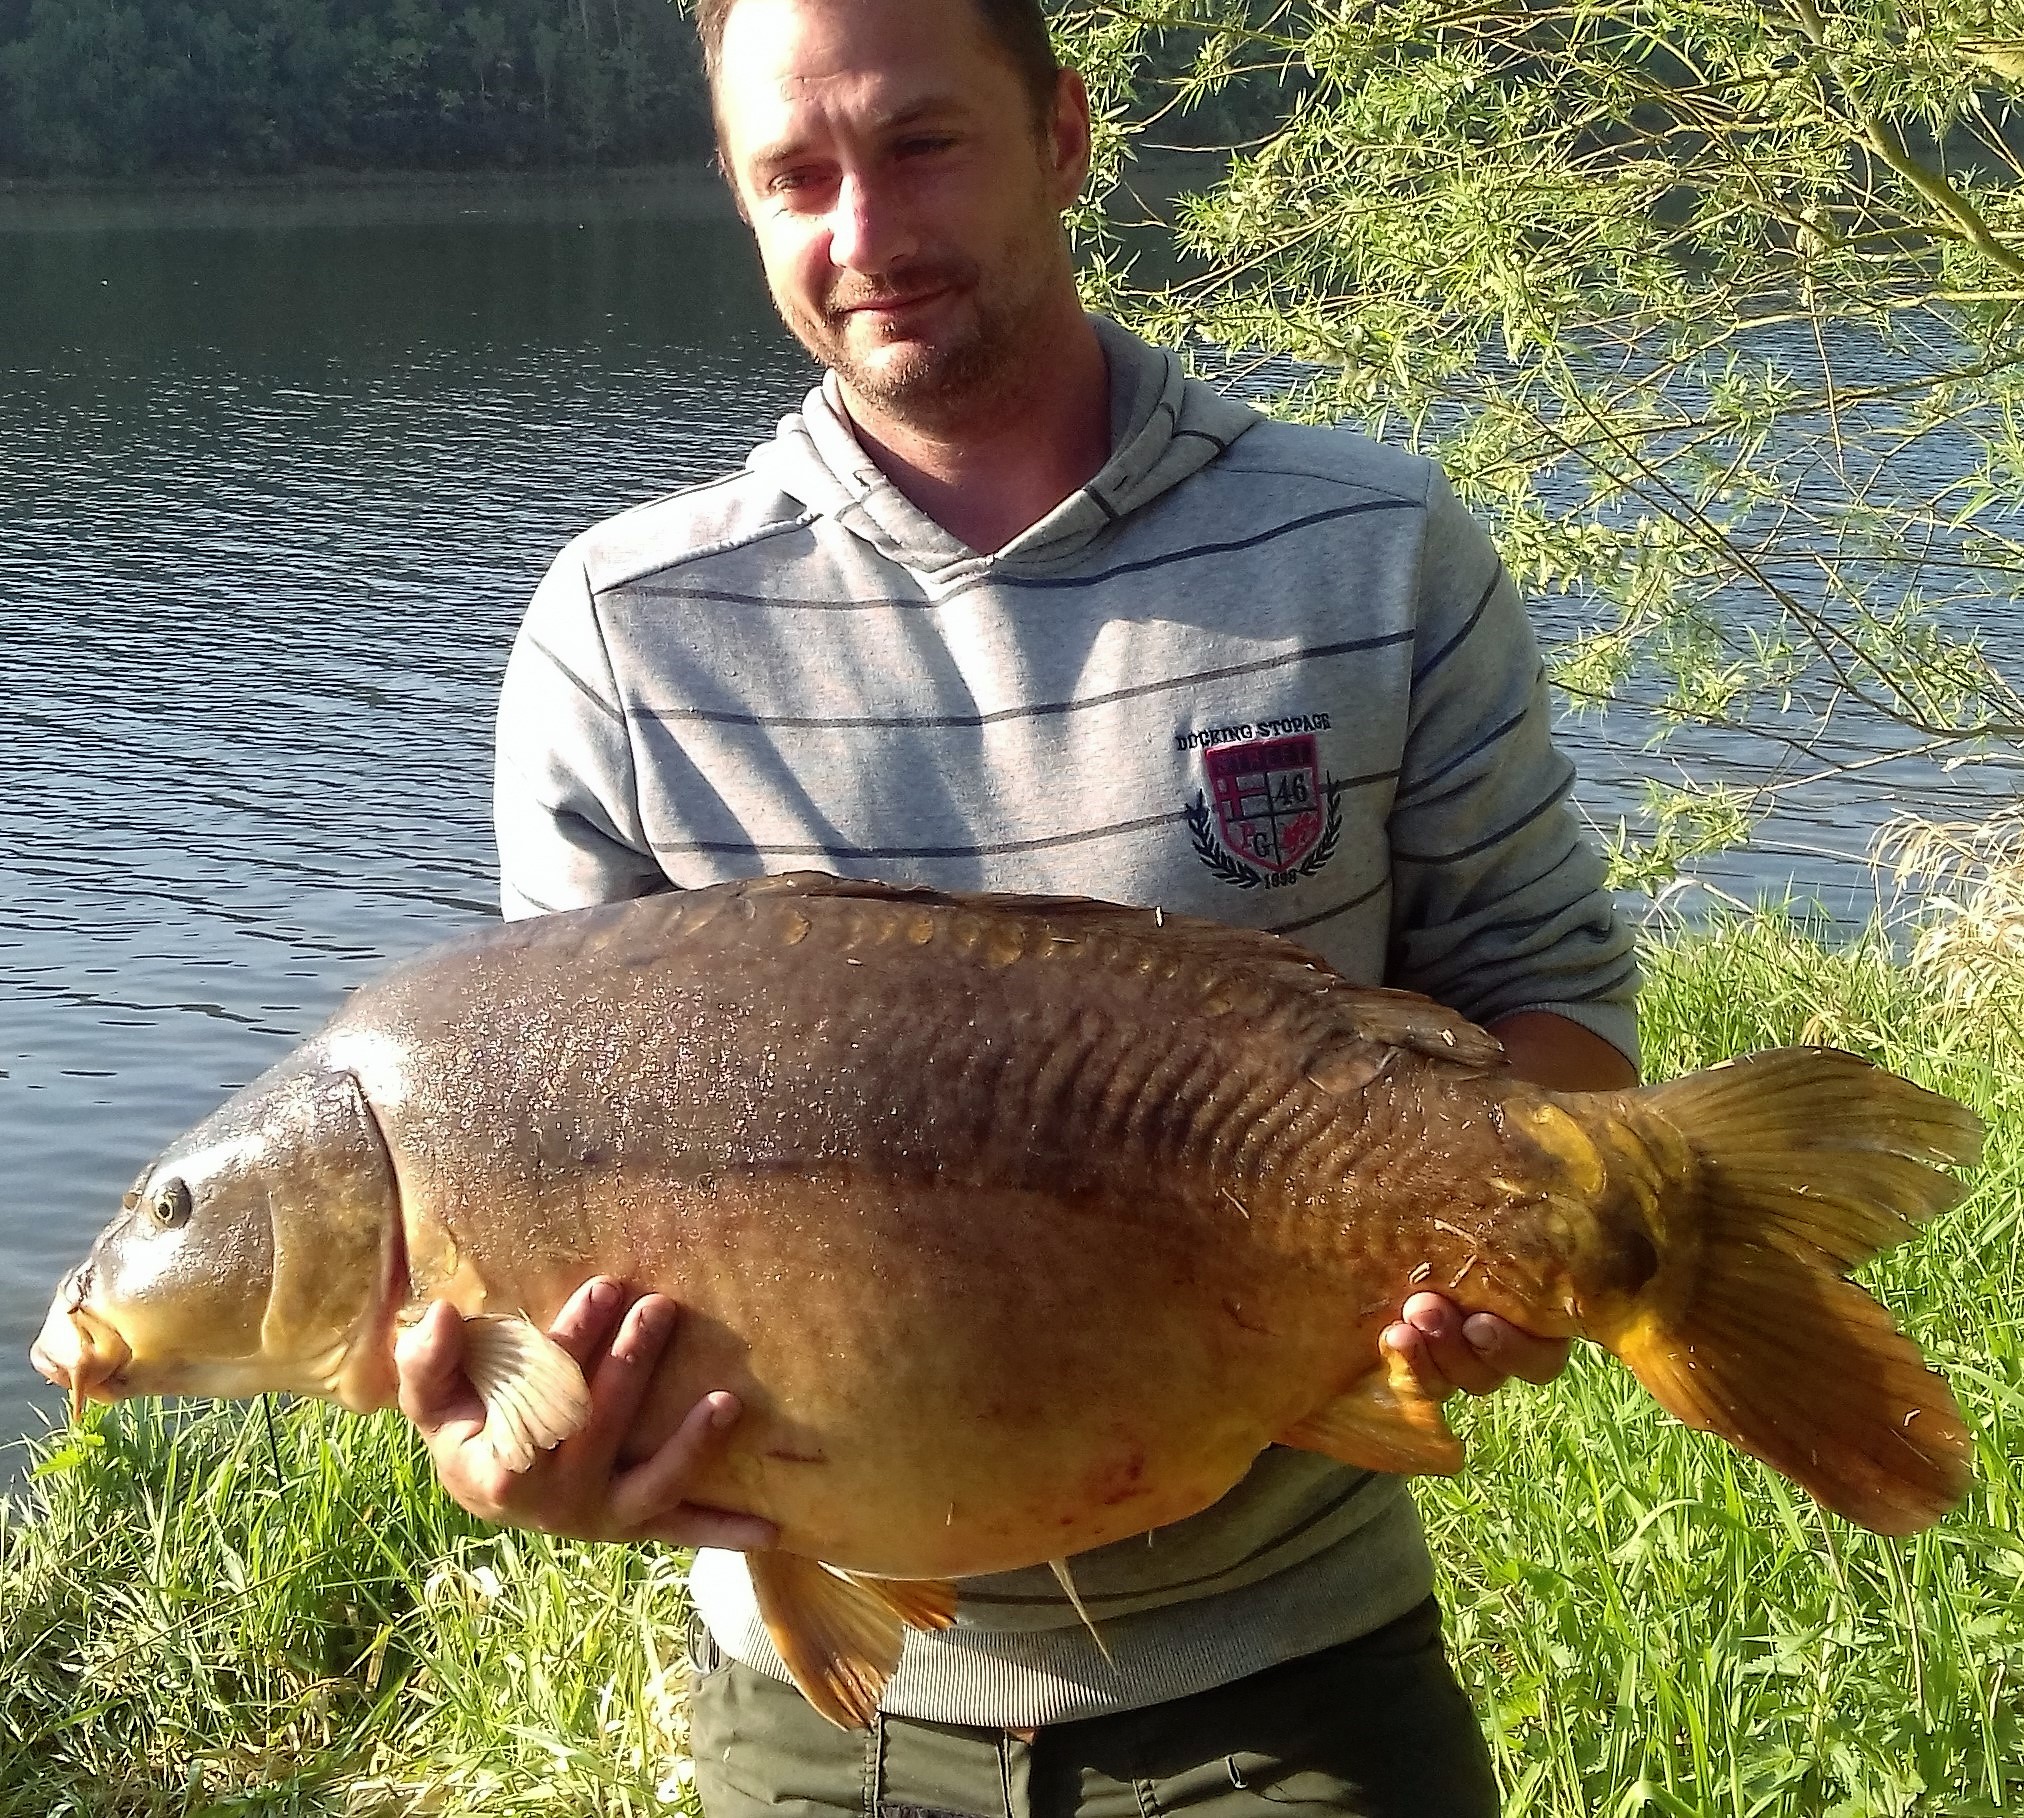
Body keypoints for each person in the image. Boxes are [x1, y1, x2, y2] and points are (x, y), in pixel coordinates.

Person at [395, 0, 1641, 1811]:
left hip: (1295, 1677)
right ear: (741, 201)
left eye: (921, 145)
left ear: (1063, 133)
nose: (866, 235)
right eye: (796, 176)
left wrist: (1533, 1238)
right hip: (820, 1714)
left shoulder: (1373, 548)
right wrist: (515, 1447)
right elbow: (539, 1183)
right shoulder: (622, 633)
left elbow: (1549, 1003)